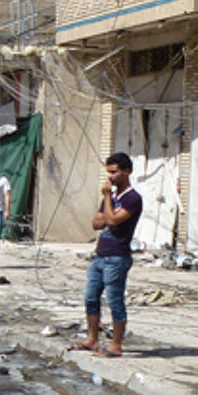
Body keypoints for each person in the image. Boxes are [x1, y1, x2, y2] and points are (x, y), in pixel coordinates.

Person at [70, 152, 143, 359]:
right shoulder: (111, 198)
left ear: (126, 172)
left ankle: (116, 345)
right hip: (100, 255)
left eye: (114, 172)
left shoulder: (132, 198)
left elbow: (111, 221)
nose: (110, 177)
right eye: (108, 172)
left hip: (117, 257)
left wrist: (107, 200)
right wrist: (109, 207)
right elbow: (96, 223)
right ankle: (92, 339)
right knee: (91, 297)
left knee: (115, 301)